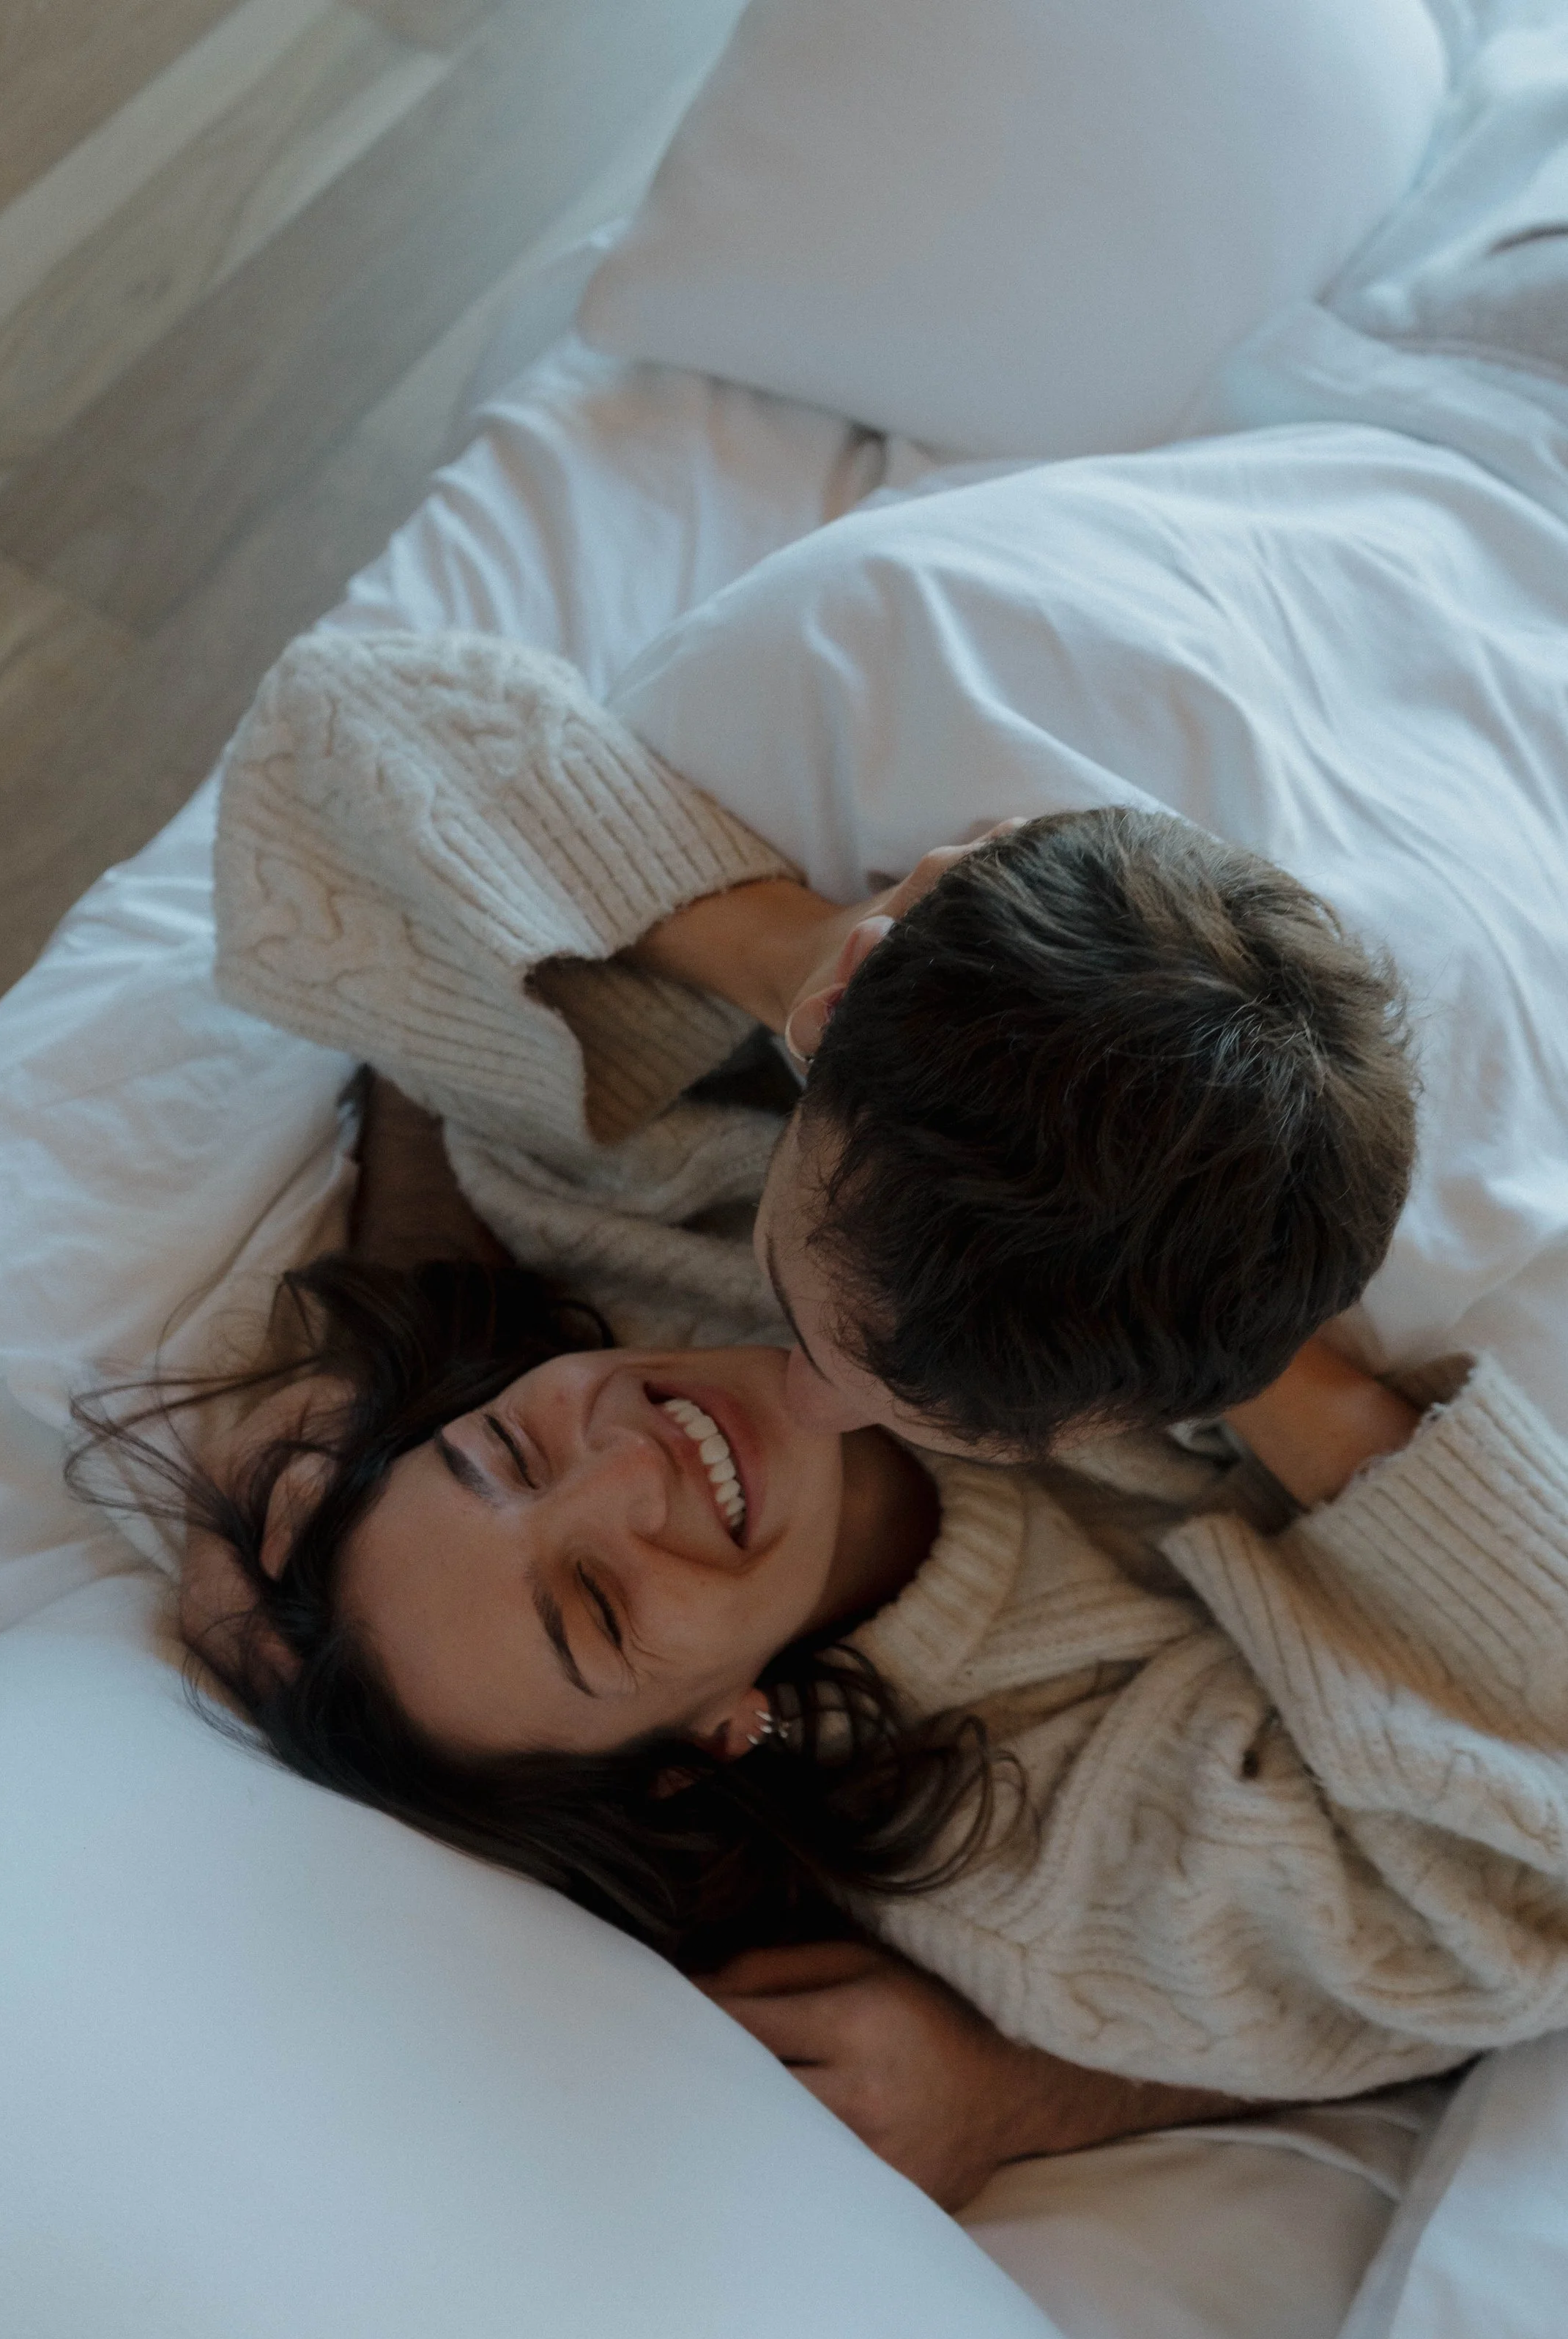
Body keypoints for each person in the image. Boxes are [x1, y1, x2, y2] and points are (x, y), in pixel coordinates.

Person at [83, 1214, 1568, 2216]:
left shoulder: (679, 1245)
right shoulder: (1044, 1842)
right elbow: (1518, 1907)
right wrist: (1231, 1341)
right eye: (594, 1608)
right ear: (708, 1738)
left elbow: (358, 755)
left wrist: (803, 963)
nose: (626, 1467)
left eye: (498, 1449)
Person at [212, 624, 1416, 1460]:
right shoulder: (852, 683)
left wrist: (1226, 1340)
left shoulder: (1370, 1255)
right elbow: (331, 711)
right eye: (794, 1314)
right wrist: (793, 954)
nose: (802, 1401)